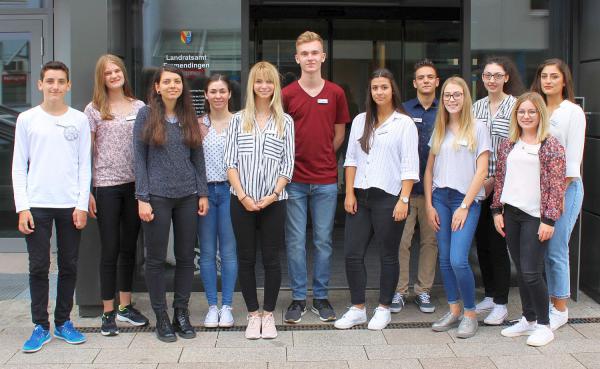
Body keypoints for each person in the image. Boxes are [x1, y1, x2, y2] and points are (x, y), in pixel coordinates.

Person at [12, 61, 91, 352]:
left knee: (69, 265)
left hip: (70, 204)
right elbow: (19, 166)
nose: (55, 86)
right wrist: (23, 207)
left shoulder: (79, 120)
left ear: (68, 85)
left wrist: (81, 204)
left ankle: (63, 322)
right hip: (37, 205)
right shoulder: (27, 119)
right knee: (39, 266)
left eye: (60, 81)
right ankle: (40, 326)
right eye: (50, 81)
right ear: (40, 84)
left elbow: (86, 166)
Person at [334, 68, 418, 330]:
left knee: (388, 255)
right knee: (352, 254)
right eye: (374, 87)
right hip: (360, 197)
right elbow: (351, 159)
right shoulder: (360, 120)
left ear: (392, 89)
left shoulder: (404, 123)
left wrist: (404, 200)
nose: (379, 92)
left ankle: (383, 307)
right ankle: (358, 307)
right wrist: (348, 193)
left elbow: (409, 164)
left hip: (389, 199)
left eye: (384, 87)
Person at [133, 65, 209, 342]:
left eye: (177, 81)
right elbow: (138, 157)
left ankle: (181, 312)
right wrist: (142, 197)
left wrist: (202, 193)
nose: (173, 86)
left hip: (188, 194)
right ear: (157, 86)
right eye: (167, 82)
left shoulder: (189, 114)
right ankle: (161, 317)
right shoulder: (146, 114)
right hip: (157, 195)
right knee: (154, 259)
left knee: (186, 257)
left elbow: (198, 157)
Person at [282, 31, 350, 323]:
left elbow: (339, 134)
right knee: (295, 241)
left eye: (315, 53)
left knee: (323, 241)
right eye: (304, 54)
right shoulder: (286, 95)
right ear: (297, 58)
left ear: (323, 56)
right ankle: (298, 298)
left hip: (324, 179)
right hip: (293, 180)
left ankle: (321, 297)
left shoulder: (335, 92)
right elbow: (280, 134)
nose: (310, 58)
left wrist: (323, 154)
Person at [224, 61, 294, 339]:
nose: (263, 87)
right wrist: (242, 195)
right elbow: (229, 162)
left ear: (275, 86)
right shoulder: (238, 120)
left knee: (272, 259)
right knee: (246, 258)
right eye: (258, 81)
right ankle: (253, 314)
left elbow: (287, 165)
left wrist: (272, 195)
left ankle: (268, 314)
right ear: (251, 85)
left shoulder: (285, 121)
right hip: (240, 200)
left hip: (273, 202)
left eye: (269, 82)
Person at [492, 92, 566, 347]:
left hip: (537, 217)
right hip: (511, 214)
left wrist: (549, 220)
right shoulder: (509, 144)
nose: (526, 116)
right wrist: (496, 211)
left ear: (540, 115)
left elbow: (556, 188)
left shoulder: (551, 146)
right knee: (522, 271)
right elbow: (500, 178)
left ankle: (545, 325)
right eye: (521, 112)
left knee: (532, 272)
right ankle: (528, 318)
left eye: (532, 112)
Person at [84, 54, 149, 336]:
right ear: (102, 78)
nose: (114, 76)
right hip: (106, 186)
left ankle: (125, 306)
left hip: (135, 186)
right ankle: (107, 312)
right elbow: (84, 153)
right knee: (109, 249)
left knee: (128, 249)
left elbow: (147, 149)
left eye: (117, 71)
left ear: (124, 73)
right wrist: (86, 192)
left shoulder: (140, 106)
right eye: (108, 73)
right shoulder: (93, 109)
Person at [425, 76, 490, 339]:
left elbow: (482, 170)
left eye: (457, 95)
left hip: (466, 200)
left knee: (458, 259)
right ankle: (453, 310)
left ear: (465, 97)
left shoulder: (477, 127)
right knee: (444, 258)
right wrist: (429, 204)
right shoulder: (439, 127)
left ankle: (470, 314)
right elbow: (429, 169)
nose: (452, 99)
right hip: (440, 197)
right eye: (447, 95)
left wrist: (464, 205)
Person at [531, 58, 586, 330]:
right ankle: (549, 305)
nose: (548, 81)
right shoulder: (536, 109)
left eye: (554, 76)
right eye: (544, 76)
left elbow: (572, 163)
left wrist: (555, 198)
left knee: (555, 249)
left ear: (564, 80)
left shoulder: (572, 112)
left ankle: (560, 308)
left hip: (566, 188)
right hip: (538, 192)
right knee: (541, 250)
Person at [472, 56, 524, 325]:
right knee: (482, 242)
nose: (491, 80)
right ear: (482, 79)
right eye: (487, 75)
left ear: (506, 77)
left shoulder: (516, 106)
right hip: (478, 185)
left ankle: (502, 303)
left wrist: (495, 179)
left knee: (498, 243)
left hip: (504, 186)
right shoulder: (475, 107)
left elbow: (517, 147)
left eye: (497, 75)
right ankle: (491, 294)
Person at [392, 59, 440, 314]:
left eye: (430, 77)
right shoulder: (403, 111)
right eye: (421, 77)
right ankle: (399, 291)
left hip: (434, 192)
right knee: (402, 241)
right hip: (406, 190)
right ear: (414, 83)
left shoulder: (445, 110)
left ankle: (423, 291)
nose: (425, 81)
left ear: (436, 81)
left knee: (430, 243)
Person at [197, 74, 238, 328]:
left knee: (230, 252)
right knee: (208, 253)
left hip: (232, 192)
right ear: (206, 95)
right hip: (205, 193)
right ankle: (212, 306)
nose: (218, 96)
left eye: (222, 91)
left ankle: (228, 306)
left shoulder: (241, 122)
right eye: (213, 91)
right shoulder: (197, 123)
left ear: (230, 94)